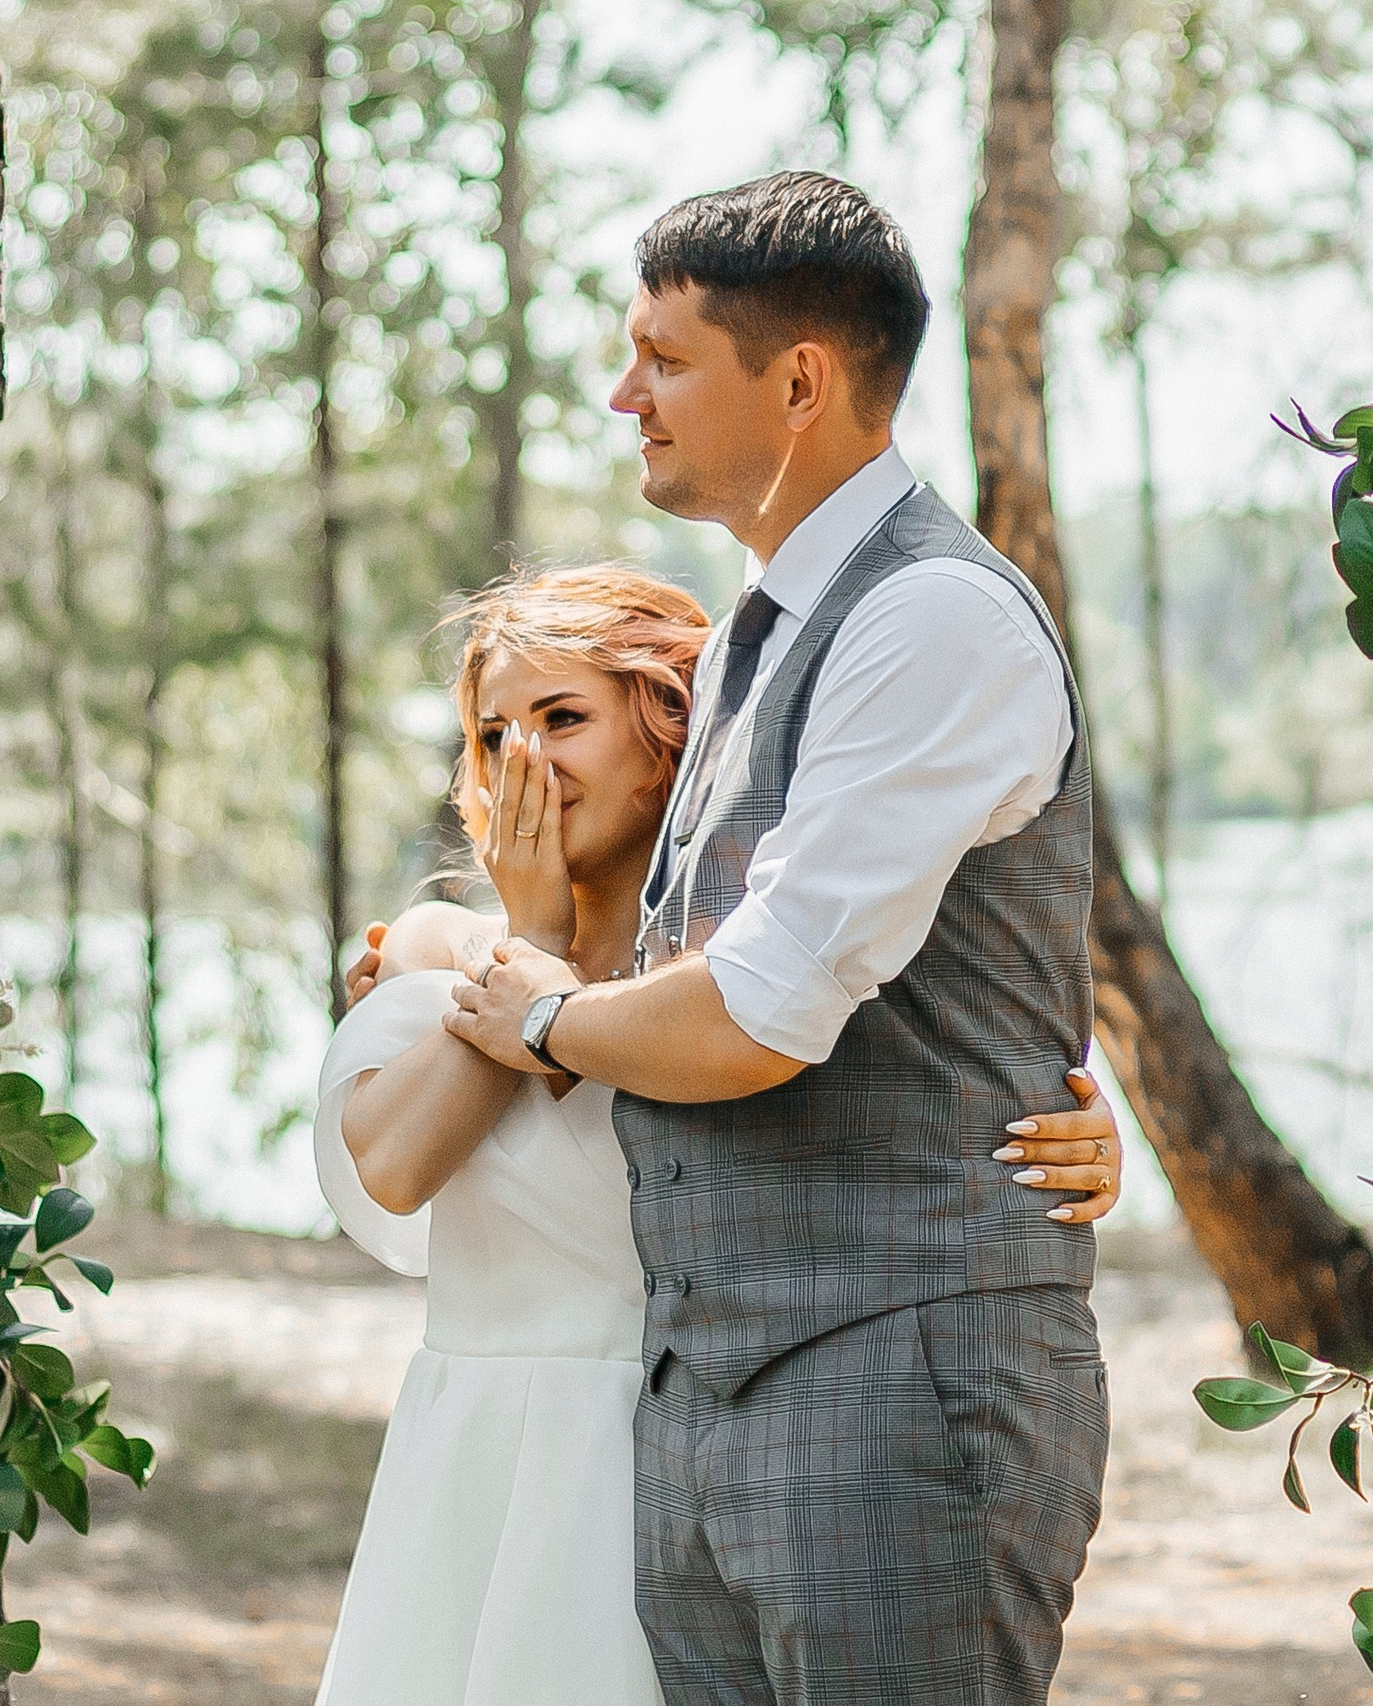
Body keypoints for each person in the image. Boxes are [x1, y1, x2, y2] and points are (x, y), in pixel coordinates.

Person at [429, 172, 1112, 1705]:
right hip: (714, 1396)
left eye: (664, 358)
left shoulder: (931, 617)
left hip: (895, 1385)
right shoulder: (758, 625)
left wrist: (534, 1013)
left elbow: (758, 1010)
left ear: (798, 380)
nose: (626, 394)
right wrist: (443, 950)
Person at [312, 566, 1119, 1705]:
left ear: (668, 733)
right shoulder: (432, 962)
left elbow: (899, 1088)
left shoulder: (735, 1003)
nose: (524, 759)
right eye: (494, 731)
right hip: (476, 1479)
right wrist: (524, 938)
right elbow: (391, 1167)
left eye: (563, 718)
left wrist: (1082, 1126)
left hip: (690, 1470)